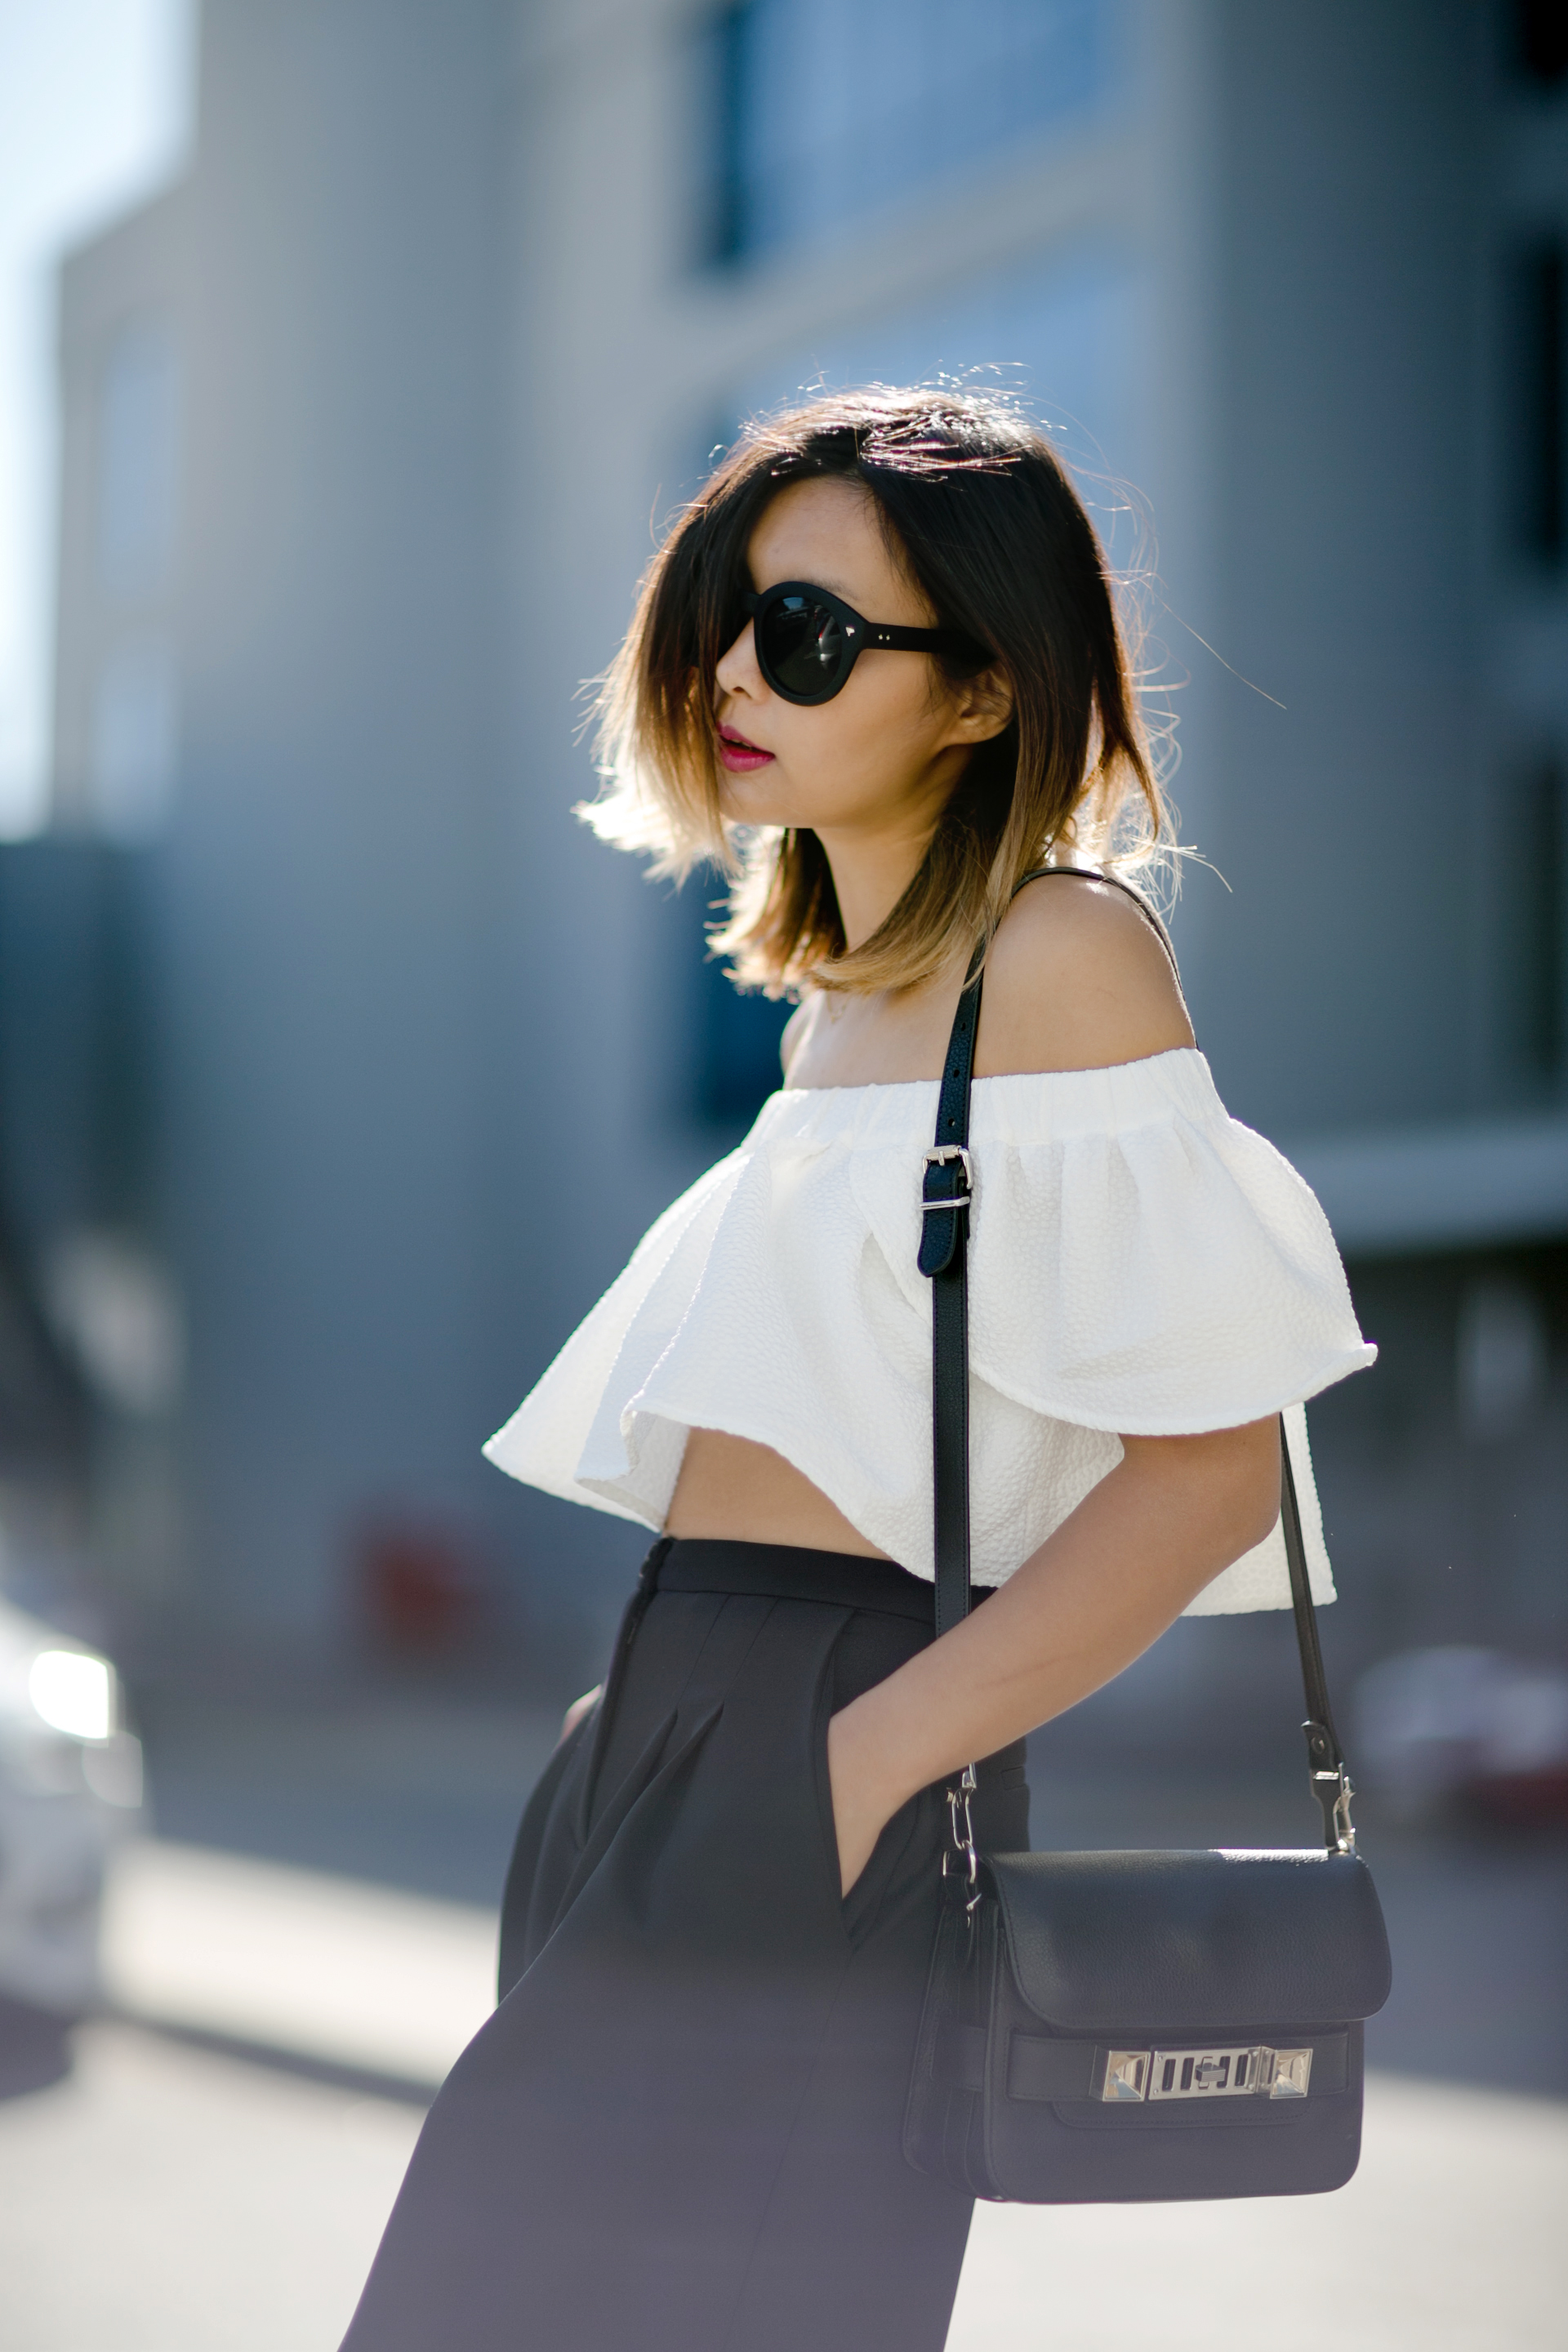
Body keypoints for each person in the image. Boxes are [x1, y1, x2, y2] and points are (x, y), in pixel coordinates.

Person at [339, 389, 1373, 2352]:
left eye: (807, 636)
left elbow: (1212, 1469)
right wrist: (648, 1745)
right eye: (732, 617)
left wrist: (865, 1764)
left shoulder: (1059, 956)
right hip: (665, 1728)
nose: (737, 669)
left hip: (832, 1744)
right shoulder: (841, 1004)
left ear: (980, 695)